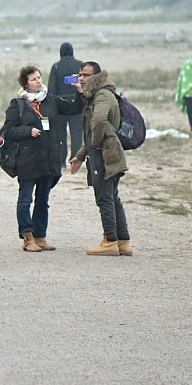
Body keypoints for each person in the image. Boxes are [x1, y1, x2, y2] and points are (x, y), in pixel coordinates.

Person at [1, 65, 82, 252]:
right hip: (27, 159)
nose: (38, 81)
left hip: (49, 158)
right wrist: (27, 131)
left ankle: (40, 236)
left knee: (43, 200)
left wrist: (78, 90)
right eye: (33, 79)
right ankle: (27, 237)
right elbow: (8, 131)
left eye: (39, 77)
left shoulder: (51, 100)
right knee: (25, 199)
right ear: (26, 84)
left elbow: (74, 108)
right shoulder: (18, 104)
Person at [69, 62, 131, 256]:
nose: (81, 78)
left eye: (86, 75)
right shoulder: (94, 95)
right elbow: (90, 129)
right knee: (112, 196)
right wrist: (80, 156)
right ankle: (123, 242)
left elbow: (98, 121)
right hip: (106, 151)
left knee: (104, 197)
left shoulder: (102, 95)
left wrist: (95, 144)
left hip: (104, 153)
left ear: (97, 77)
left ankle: (110, 241)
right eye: (80, 75)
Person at [48, 41, 84, 167]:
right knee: (76, 134)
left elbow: (51, 89)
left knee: (60, 135)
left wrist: (51, 106)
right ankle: (75, 159)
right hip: (77, 105)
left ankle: (62, 161)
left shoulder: (56, 67)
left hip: (60, 106)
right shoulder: (80, 65)